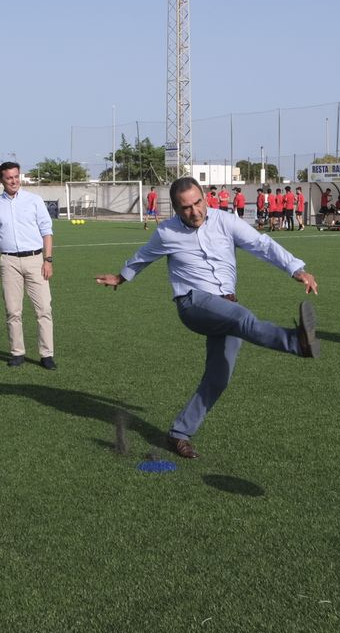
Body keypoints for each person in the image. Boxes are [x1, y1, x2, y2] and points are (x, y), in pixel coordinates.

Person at [95, 177, 320, 459]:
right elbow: (142, 257)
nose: (194, 211)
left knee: (218, 377)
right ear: (176, 209)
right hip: (193, 303)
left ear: (205, 197)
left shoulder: (225, 221)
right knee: (243, 318)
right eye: (186, 208)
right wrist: (120, 277)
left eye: (198, 202)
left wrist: (296, 269)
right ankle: (296, 343)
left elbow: (261, 244)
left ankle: (179, 433)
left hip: (226, 306)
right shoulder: (166, 233)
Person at [0, 161, 56, 369]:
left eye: (16, 176)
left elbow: (46, 231)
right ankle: (17, 352)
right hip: (8, 262)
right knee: (13, 310)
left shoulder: (34, 200)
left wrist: (48, 260)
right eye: (9, 178)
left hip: (35, 260)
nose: (14, 181)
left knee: (43, 308)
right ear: (1, 180)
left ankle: (46, 354)